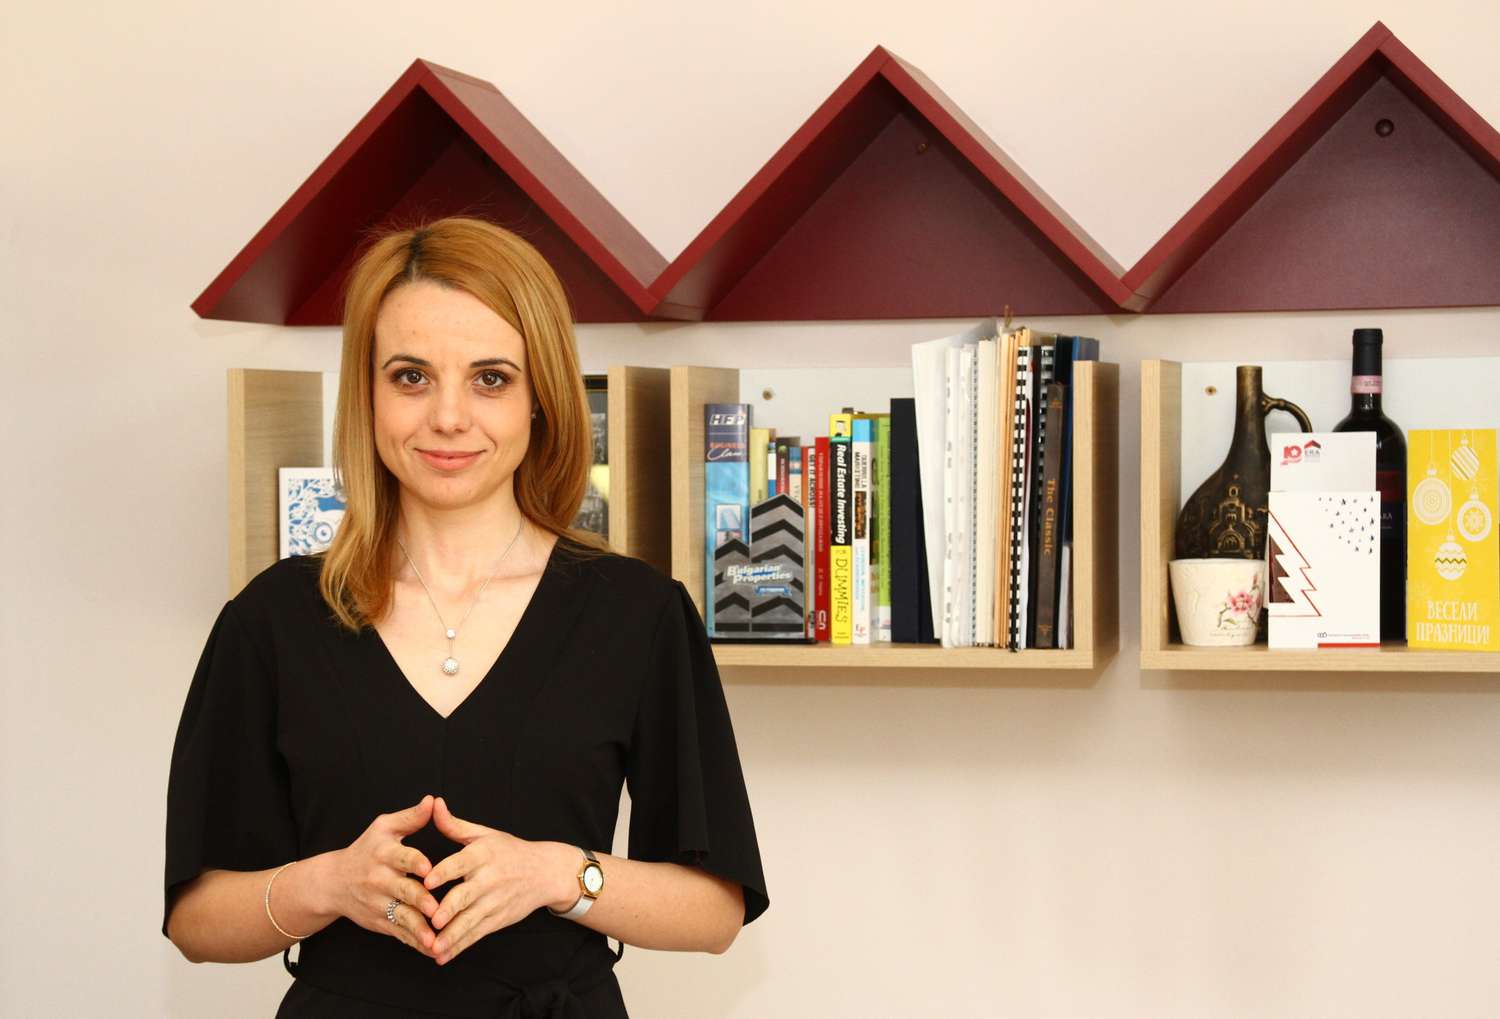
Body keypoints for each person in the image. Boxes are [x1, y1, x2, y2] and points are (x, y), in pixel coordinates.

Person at [163, 217, 769, 1017]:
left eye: (490, 378)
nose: (448, 417)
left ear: (541, 397)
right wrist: (328, 883)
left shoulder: (640, 613)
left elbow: (716, 909)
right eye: (411, 376)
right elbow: (196, 918)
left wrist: (559, 874)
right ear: (367, 394)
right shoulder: (270, 620)